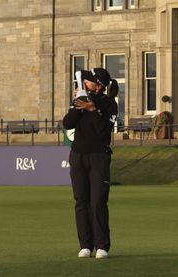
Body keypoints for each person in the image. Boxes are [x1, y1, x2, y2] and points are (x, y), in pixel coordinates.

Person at [62, 68, 118, 259]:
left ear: (99, 85)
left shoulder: (109, 103)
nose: (84, 83)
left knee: (98, 202)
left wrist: (92, 110)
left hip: (99, 157)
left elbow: (103, 132)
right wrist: (79, 106)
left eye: (88, 81)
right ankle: (85, 245)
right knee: (81, 201)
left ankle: (102, 245)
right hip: (78, 155)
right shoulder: (80, 99)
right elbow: (67, 123)